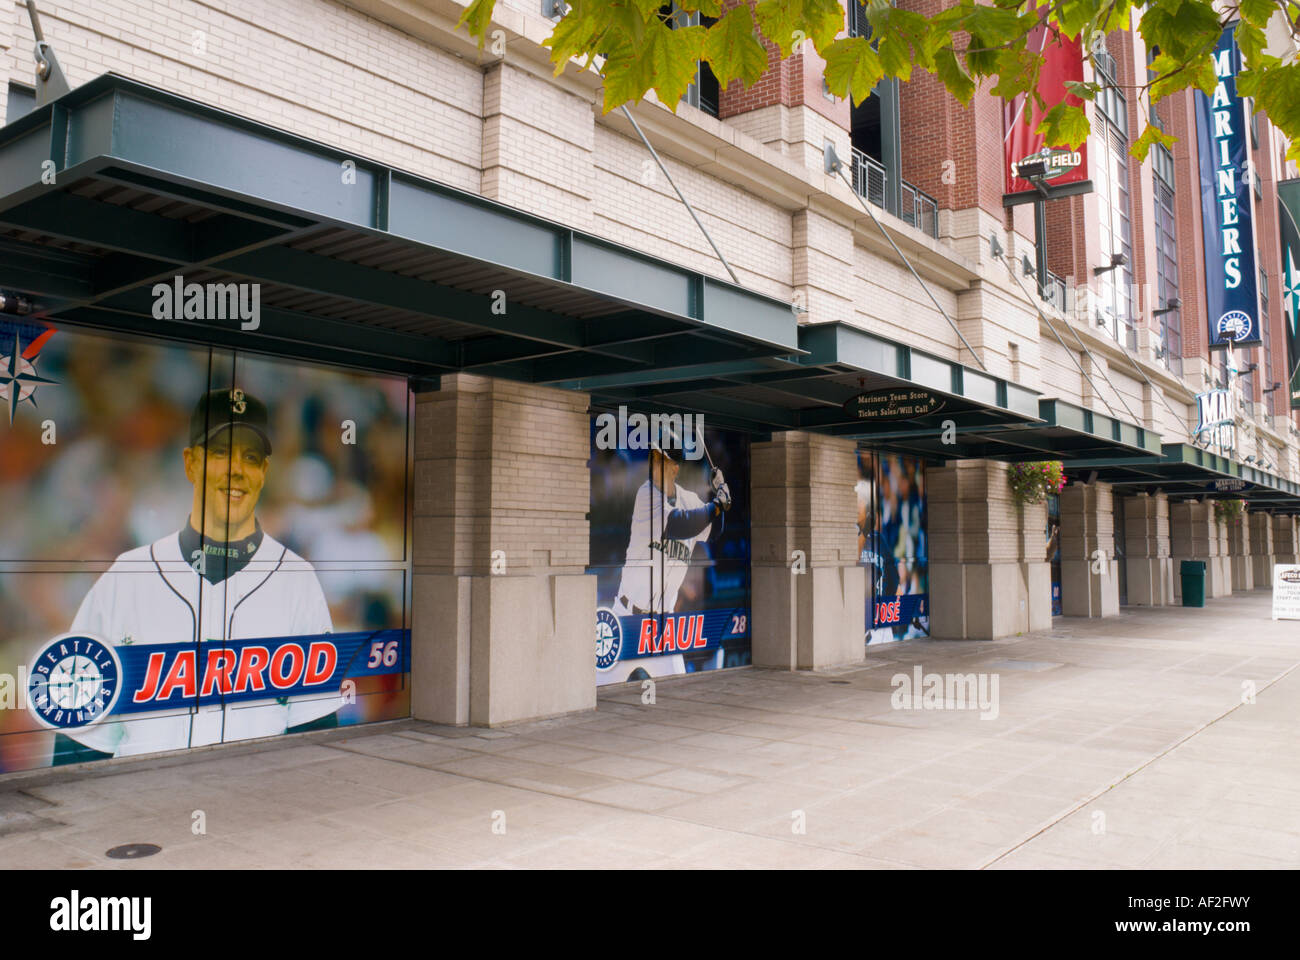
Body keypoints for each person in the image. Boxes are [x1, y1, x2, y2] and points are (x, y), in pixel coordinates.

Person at [55, 388, 340, 761]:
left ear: (264, 472)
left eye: (250, 457)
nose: (235, 470)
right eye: (220, 453)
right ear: (190, 463)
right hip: (138, 809)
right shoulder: (127, 576)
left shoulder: (296, 578)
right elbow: (80, 745)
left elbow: (315, 736)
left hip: (258, 807)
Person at [603, 431, 731, 682]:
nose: (654, 463)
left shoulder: (690, 500)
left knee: (678, 690)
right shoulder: (647, 494)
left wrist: (721, 494)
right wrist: (718, 504)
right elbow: (679, 525)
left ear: (674, 468)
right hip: (628, 617)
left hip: (663, 625)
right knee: (599, 685)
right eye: (653, 457)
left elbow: (715, 531)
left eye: (660, 459)